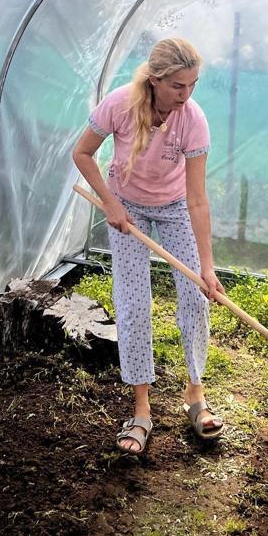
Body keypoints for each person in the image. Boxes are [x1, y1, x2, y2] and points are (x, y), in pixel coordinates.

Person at [72, 37, 225, 454]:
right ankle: (142, 409)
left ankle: (195, 393)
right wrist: (110, 203)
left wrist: (207, 267)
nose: (187, 95)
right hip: (127, 209)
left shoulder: (193, 119)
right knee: (134, 302)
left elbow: (197, 198)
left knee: (196, 294)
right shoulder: (120, 105)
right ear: (156, 80)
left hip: (174, 206)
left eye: (193, 85)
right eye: (179, 86)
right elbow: (82, 153)